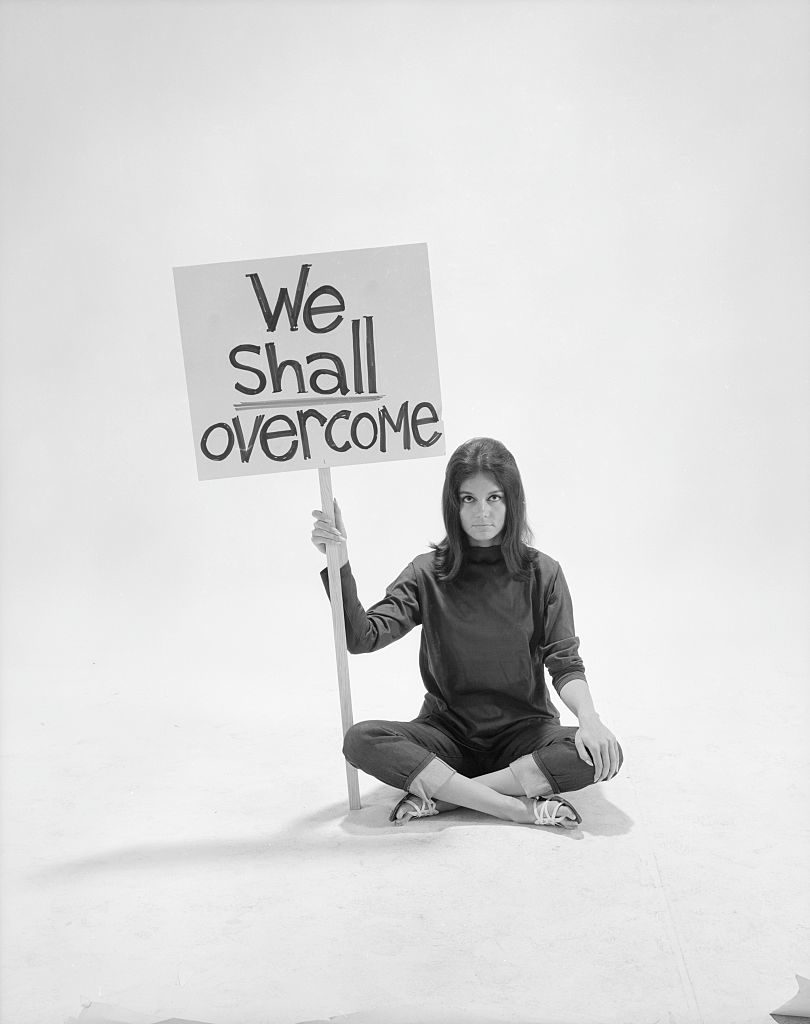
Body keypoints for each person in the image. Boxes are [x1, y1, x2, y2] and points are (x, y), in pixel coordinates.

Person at [311, 437, 622, 828]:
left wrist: (590, 719)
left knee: (598, 753)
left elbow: (564, 662)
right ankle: (514, 806)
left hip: (524, 734)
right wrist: (338, 562)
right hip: (448, 737)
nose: (482, 512)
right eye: (468, 499)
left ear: (512, 501)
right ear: (453, 504)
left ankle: (446, 796)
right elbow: (363, 637)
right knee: (361, 740)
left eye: (494, 498)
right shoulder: (428, 572)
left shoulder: (544, 573)